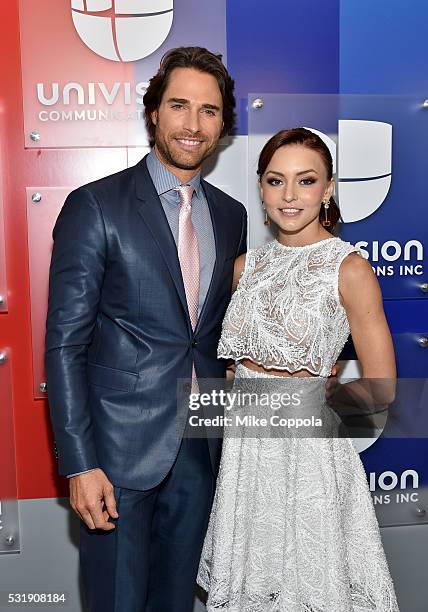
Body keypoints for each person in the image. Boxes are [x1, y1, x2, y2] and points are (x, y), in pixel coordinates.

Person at [45, 47, 247, 612]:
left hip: (202, 450)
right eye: (179, 105)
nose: (193, 124)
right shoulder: (96, 206)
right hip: (115, 458)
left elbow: (223, 331)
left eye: (209, 111)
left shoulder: (232, 215)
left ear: (223, 125)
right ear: (153, 111)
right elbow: (65, 345)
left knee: (176, 603)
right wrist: (80, 463)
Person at [196, 128, 400, 610]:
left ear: (328, 188)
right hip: (247, 458)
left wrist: (315, 401)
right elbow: (231, 371)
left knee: (313, 587)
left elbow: (382, 385)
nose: (289, 196)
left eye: (306, 181)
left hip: (310, 459)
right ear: (261, 188)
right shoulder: (245, 268)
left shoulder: (348, 268)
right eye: (275, 180)